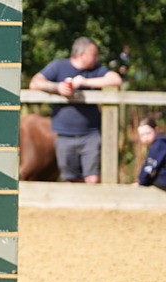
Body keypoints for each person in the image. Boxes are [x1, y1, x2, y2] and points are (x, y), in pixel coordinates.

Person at [29, 36, 123, 183]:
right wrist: (57, 87)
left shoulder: (96, 70)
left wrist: (85, 81)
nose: (97, 59)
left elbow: (116, 80)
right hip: (64, 135)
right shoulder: (58, 66)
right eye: (94, 55)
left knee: (92, 179)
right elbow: (35, 83)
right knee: (70, 179)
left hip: (91, 134)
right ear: (82, 55)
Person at [136, 118, 166, 191]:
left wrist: (141, 182)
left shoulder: (159, 146)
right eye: (142, 135)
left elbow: (149, 168)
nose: (145, 137)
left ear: (156, 130)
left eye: (148, 133)